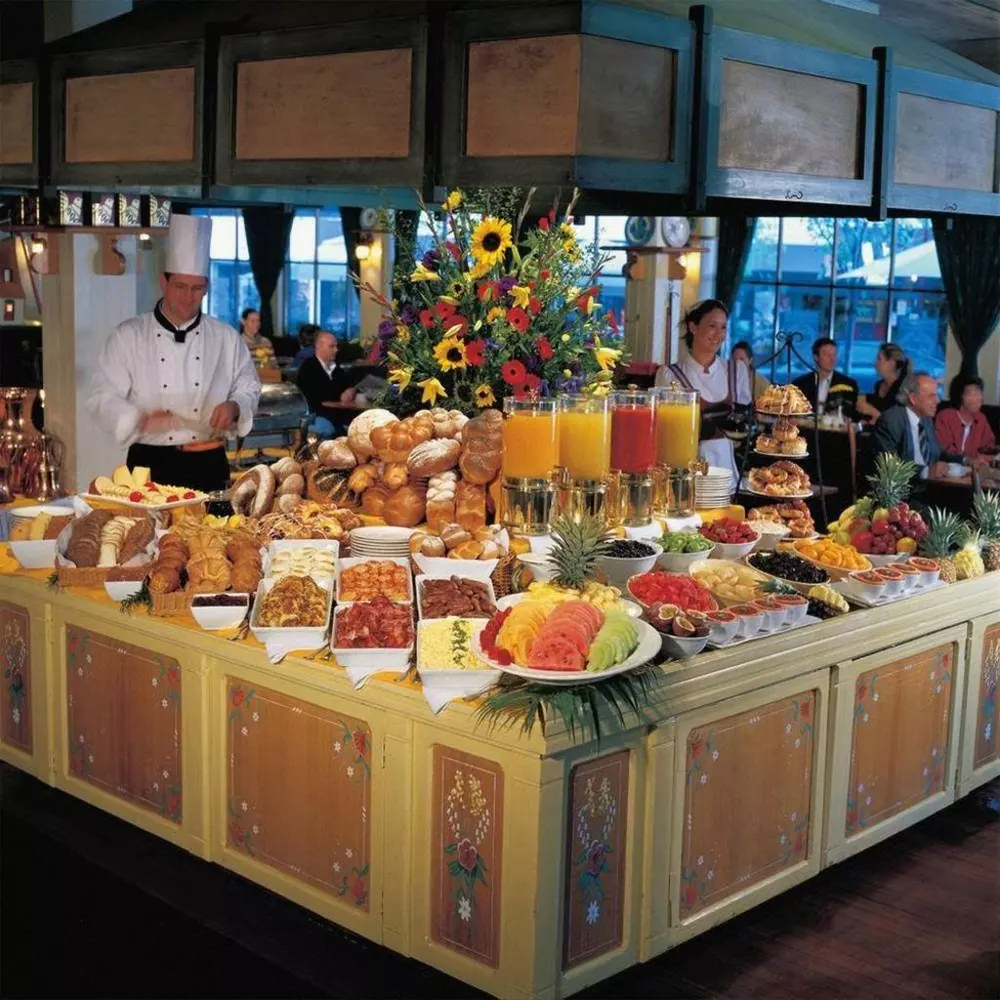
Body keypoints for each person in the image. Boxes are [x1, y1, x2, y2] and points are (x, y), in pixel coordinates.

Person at [87, 215, 260, 492]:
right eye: (180, 286)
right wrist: (137, 418)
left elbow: (248, 386)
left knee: (213, 521)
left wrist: (235, 406)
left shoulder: (226, 337)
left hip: (209, 461)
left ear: (206, 288)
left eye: (196, 288)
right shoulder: (129, 335)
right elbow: (100, 395)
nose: (188, 297)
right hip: (148, 462)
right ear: (163, 283)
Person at [656, 299, 752, 481]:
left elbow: (745, 425)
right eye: (712, 326)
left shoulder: (736, 371)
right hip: (685, 473)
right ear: (693, 327)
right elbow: (666, 431)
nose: (719, 334)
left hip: (728, 474)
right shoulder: (670, 374)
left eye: (723, 327)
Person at [872, 372, 962, 481]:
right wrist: (926, 471)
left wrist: (966, 460)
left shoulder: (926, 419)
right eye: (932, 396)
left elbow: (938, 453)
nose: (938, 401)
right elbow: (888, 466)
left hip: (930, 485)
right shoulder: (891, 420)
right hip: (904, 488)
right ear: (913, 398)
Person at [296, 331, 361, 436]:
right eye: (331, 346)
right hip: (319, 417)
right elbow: (317, 401)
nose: (336, 350)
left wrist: (351, 391)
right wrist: (342, 403)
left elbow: (348, 386)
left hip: (340, 416)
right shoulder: (309, 368)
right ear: (319, 346)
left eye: (336, 346)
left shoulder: (336, 368)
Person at [935, 374, 996, 467]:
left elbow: (989, 446)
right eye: (970, 394)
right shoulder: (945, 416)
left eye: (978, 393)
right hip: (947, 468)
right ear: (960, 397)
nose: (976, 399)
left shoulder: (981, 418)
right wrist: (969, 460)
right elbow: (944, 451)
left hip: (974, 469)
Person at [792, 337, 859, 419]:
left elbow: (852, 414)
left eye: (834, 355)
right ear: (816, 357)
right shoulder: (800, 384)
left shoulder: (848, 384)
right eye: (827, 355)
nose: (832, 359)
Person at [857, 343, 909, 423]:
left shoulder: (902, 390)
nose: (875, 362)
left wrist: (874, 413)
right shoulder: (879, 385)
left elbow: (896, 423)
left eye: (879, 359)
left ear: (892, 363)